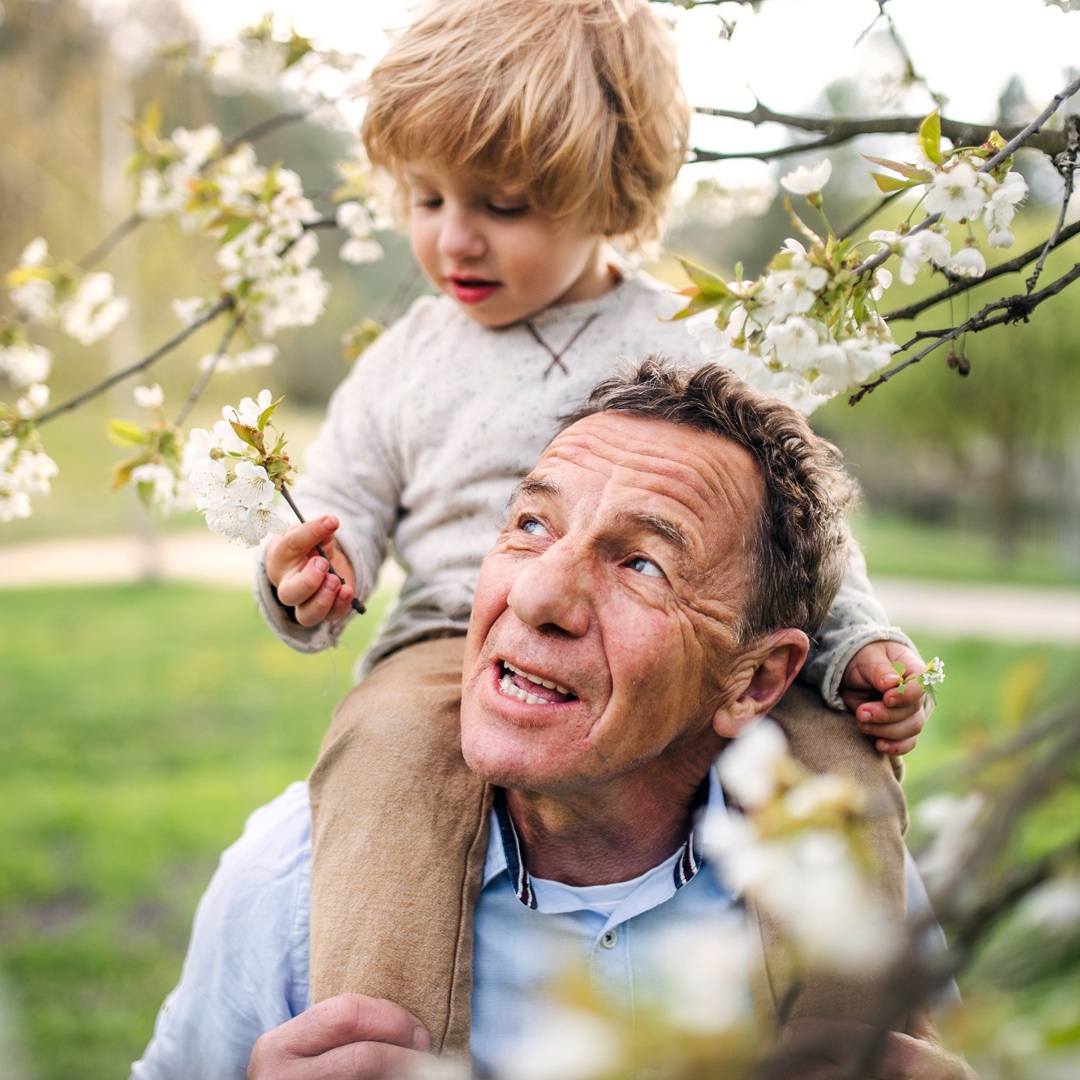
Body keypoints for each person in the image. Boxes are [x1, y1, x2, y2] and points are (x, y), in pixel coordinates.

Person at [255, 0, 929, 1051]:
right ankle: (381, 1047)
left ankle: (859, 1045)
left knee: (839, 763)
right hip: (453, 642)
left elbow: (801, 530)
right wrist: (304, 577)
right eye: (425, 197)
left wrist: (857, 647)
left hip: (690, 644)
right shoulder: (404, 364)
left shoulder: (689, 337)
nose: (454, 237)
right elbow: (331, 517)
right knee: (384, 753)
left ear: (610, 196)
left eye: (505, 205)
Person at [131, 362, 967, 1080]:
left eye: (643, 562)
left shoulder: (848, 895)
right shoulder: (293, 880)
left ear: (756, 681)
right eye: (531, 524)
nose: (535, 598)